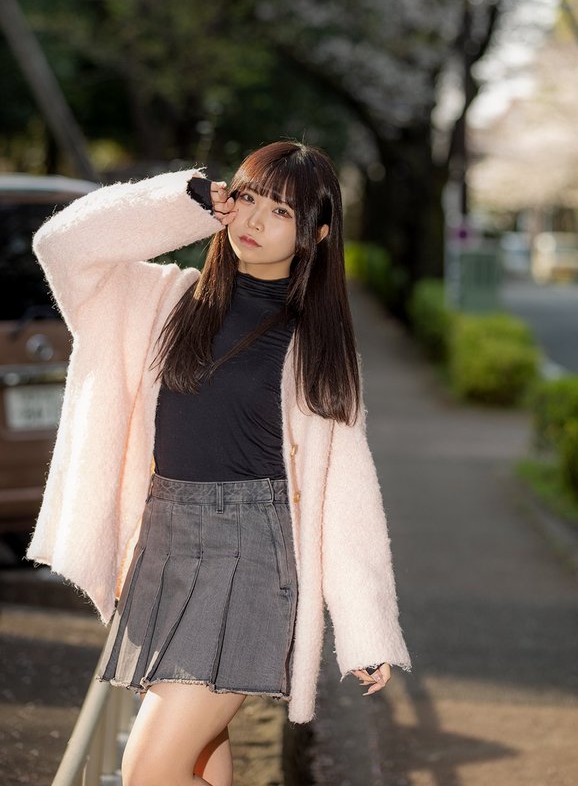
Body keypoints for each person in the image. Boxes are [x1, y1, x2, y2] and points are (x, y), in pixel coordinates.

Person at [25, 140, 411, 786]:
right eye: (249, 197)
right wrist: (182, 204)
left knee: (149, 768)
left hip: (252, 554)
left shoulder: (314, 349)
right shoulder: (163, 301)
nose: (254, 221)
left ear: (316, 233)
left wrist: (366, 622)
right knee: (200, 763)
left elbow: (346, 493)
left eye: (281, 211)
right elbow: (60, 247)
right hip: (164, 539)